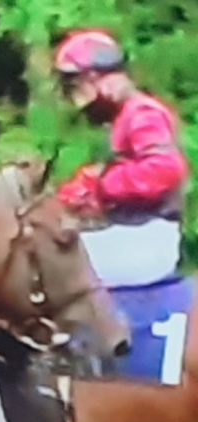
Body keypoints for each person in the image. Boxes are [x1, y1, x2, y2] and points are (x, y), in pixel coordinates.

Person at [54, 29, 189, 288]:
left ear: (98, 78)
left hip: (147, 240)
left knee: (54, 266)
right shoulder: (123, 118)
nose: (78, 100)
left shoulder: (143, 113)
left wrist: (102, 186)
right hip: (134, 235)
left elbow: (164, 169)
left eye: (78, 87)